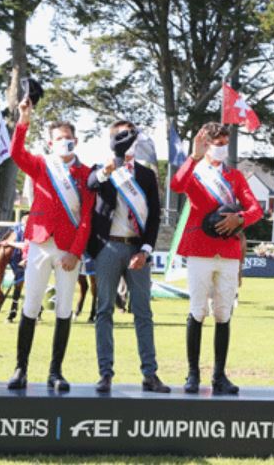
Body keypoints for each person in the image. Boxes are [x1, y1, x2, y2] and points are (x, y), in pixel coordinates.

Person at [6, 97, 96, 392]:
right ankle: (21, 368)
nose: (64, 142)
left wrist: (75, 251)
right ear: (50, 142)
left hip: (69, 250)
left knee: (64, 309)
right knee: (31, 305)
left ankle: (55, 371)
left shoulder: (86, 174)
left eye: (68, 138)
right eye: (59, 139)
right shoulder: (41, 166)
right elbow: (15, 152)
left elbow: (86, 217)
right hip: (40, 243)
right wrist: (23, 120)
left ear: (76, 141)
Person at [170, 122, 263, 395]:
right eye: (217, 143)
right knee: (198, 310)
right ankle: (192, 374)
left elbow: (255, 209)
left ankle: (219, 375)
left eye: (225, 143)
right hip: (200, 248)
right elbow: (177, 185)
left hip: (229, 251)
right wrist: (194, 156)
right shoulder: (195, 173)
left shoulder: (235, 177)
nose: (222, 148)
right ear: (206, 143)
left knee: (223, 313)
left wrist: (241, 217)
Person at [88, 120, 169, 394]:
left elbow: (155, 215)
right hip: (108, 248)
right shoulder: (102, 170)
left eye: (129, 136)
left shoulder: (146, 175)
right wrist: (107, 170)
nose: (126, 141)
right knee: (104, 311)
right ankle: (105, 374)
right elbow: (90, 184)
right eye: (119, 136)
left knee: (143, 312)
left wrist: (146, 250)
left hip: (137, 249)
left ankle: (150, 374)